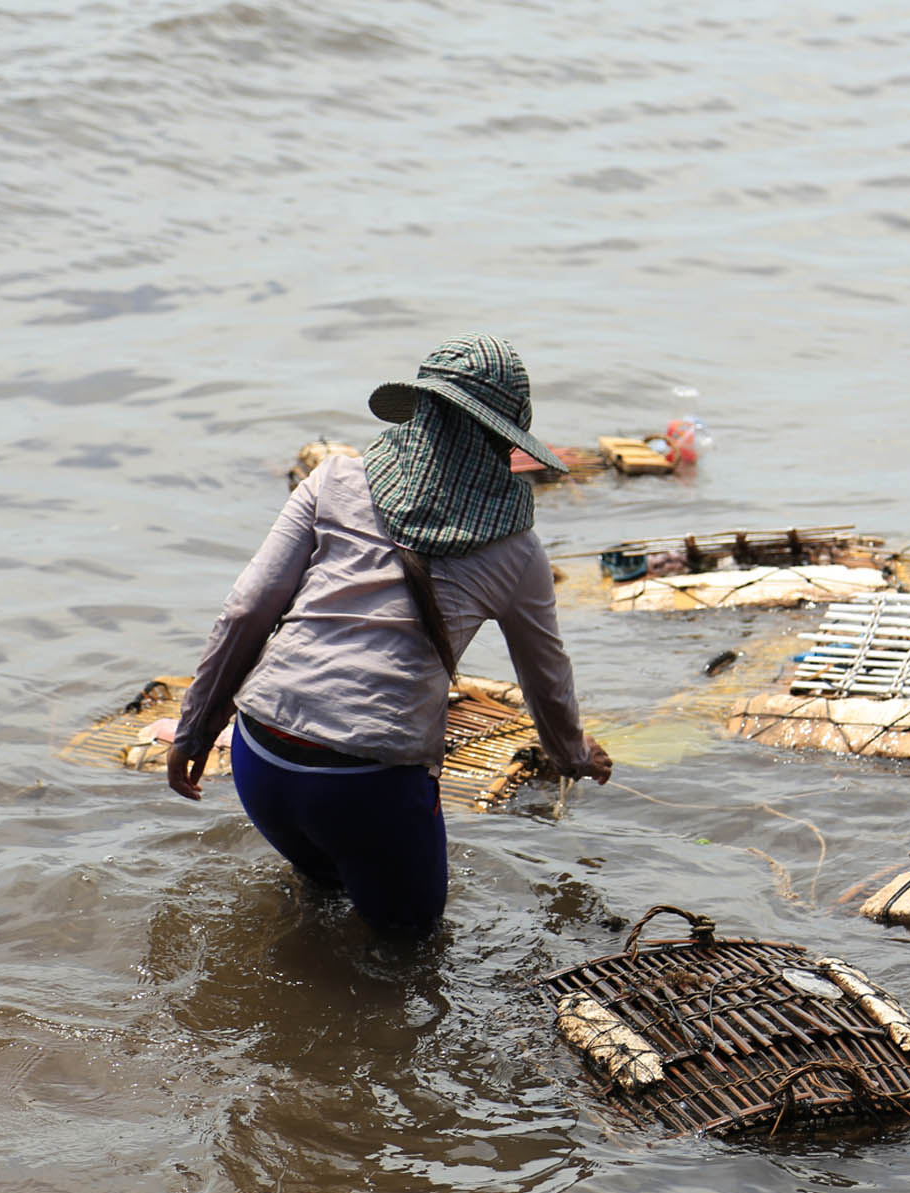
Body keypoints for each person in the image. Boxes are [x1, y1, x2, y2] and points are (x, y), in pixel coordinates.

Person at [167, 334, 612, 936]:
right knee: (408, 956)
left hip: (261, 753)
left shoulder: (334, 481)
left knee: (319, 901)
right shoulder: (516, 549)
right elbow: (546, 677)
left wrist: (195, 730)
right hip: (369, 785)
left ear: (420, 413)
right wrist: (573, 758)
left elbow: (246, 611)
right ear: (504, 440)